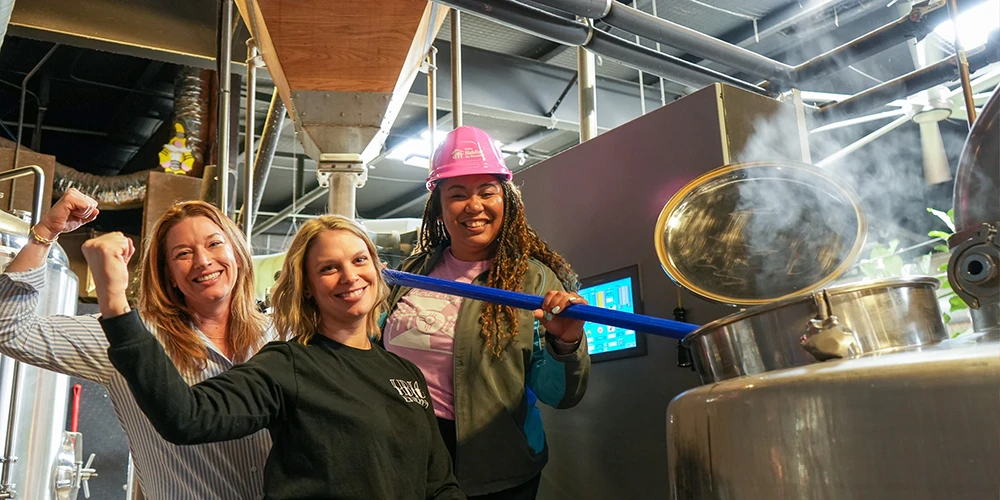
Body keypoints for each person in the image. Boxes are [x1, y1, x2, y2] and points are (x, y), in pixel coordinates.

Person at [85, 215, 465, 500]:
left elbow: (439, 484)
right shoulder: (290, 364)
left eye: (359, 260)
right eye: (328, 269)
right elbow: (187, 417)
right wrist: (117, 306)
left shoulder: (405, 374)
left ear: (377, 271)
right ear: (309, 288)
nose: (350, 277)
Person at [0, 189, 272, 499]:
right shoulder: (130, 335)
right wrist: (46, 232)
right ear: (168, 275)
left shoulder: (281, 336)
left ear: (236, 252)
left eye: (214, 244)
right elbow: (9, 328)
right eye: (182, 253)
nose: (203, 261)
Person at [382, 125, 591, 499]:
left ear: (506, 200)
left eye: (487, 192)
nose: (473, 206)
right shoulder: (411, 273)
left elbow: (560, 395)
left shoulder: (533, 280)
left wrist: (566, 341)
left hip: (497, 469)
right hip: (407, 461)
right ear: (439, 206)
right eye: (457, 194)